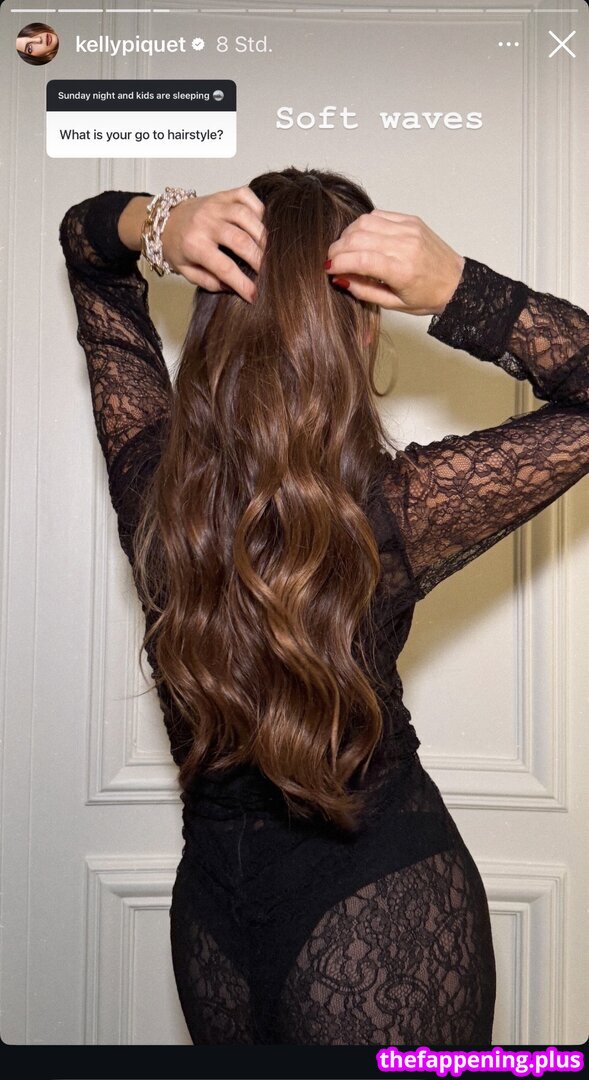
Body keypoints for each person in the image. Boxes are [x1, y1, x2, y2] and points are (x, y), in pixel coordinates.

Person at [59, 167, 589, 1046]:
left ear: (214, 314)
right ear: (362, 326)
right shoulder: (397, 509)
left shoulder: (151, 483)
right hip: (289, 903)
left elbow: (89, 256)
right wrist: (459, 289)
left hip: (343, 909)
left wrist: (158, 223)